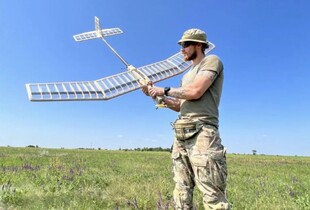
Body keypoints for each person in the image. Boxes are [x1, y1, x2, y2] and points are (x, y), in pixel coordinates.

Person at [142, 29, 230, 210]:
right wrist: (156, 96)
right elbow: (180, 105)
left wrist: (163, 90)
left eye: (184, 45)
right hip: (181, 133)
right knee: (181, 190)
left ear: (199, 45)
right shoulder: (186, 76)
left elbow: (196, 91)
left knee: (212, 193)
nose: (181, 49)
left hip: (202, 132)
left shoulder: (212, 61)